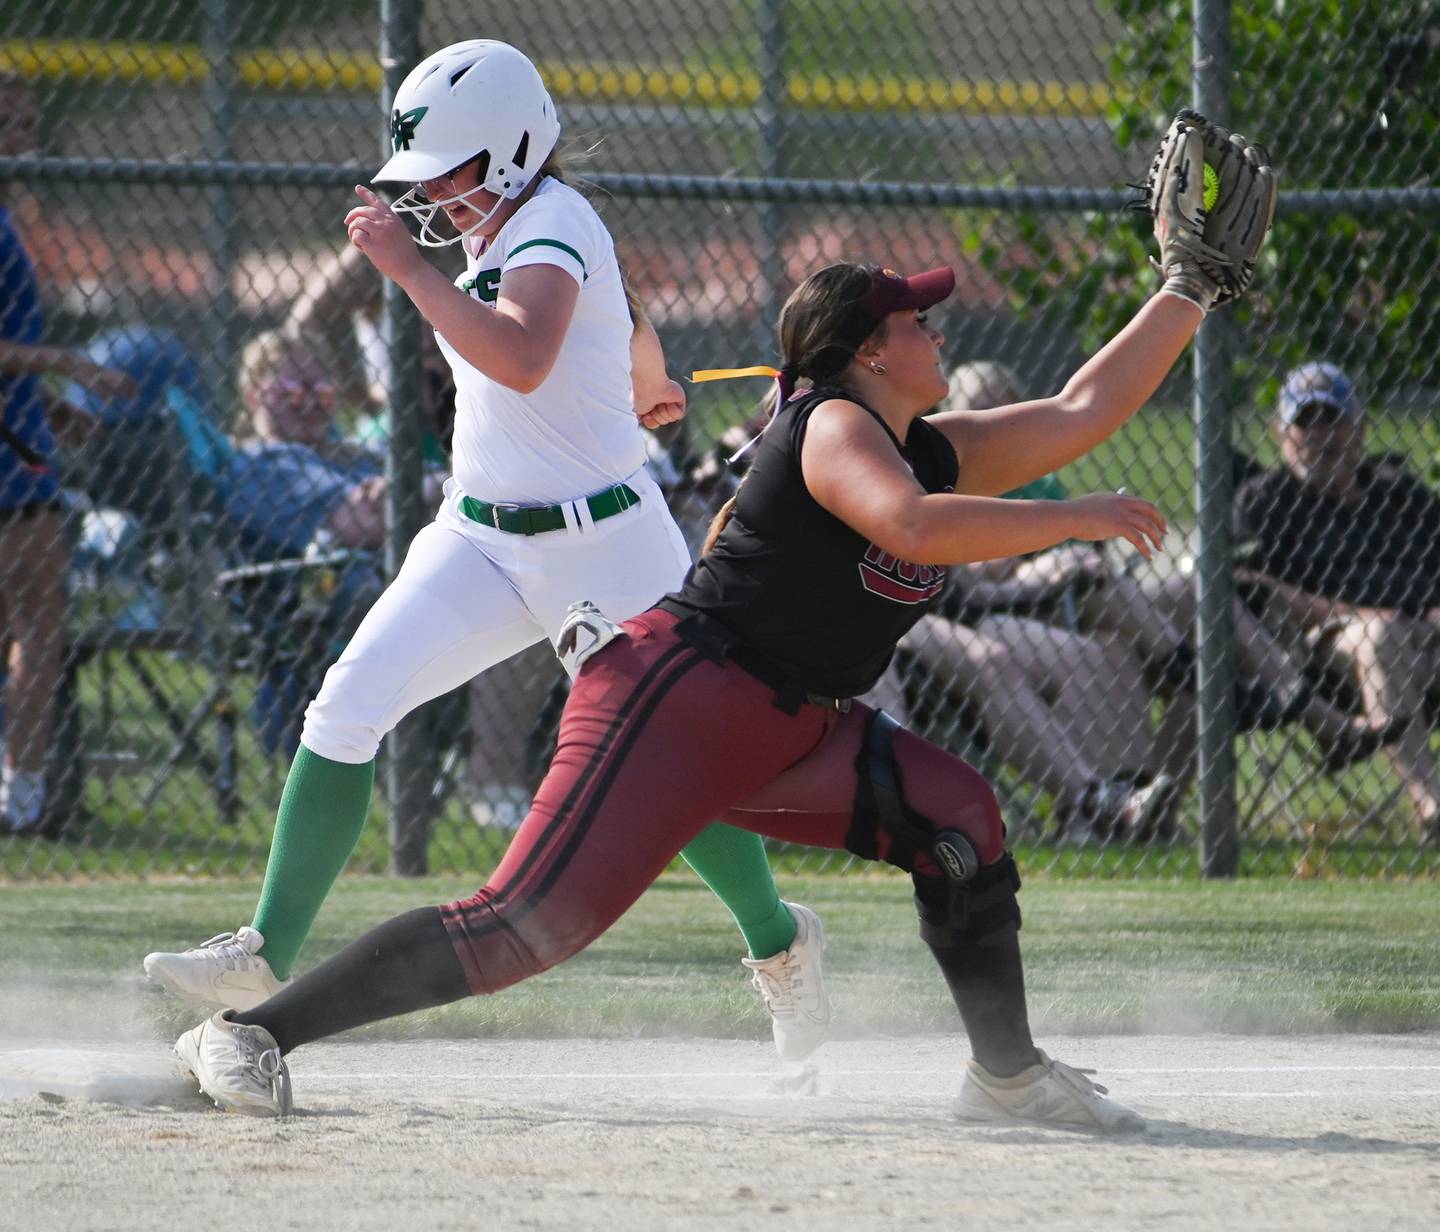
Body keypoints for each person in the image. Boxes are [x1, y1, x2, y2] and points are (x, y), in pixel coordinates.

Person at [171, 175, 1268, 1121]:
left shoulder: (920, 439)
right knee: (522, 926)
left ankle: (1010, 1075)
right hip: (677, 700)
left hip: (789, 724)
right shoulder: (834, 430)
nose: (939, 333)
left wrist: (1187, 287)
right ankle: (256, 1033)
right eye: (919, 323)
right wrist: (1073, 516)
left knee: (959, 817)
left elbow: (1083, 405)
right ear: (870, 353)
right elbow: (916, 529)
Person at [143, 40, 829, 1061]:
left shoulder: (549, 222)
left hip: (606, 546)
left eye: (446, 176)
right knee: (345, 705)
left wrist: (409, 270)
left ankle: (782, 946)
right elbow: (611, 315)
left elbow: (519, 349)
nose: (431, 199)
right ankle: (263, 948)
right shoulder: (522, 224)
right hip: (481, 535)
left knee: (671, 768)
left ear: (508, 155)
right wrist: (643, 365)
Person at [898, 361, 1182, 842]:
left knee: (1107, 652)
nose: (989, 419)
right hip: (966, 615)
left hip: (1021, 606)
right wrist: (1034, 573)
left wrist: (1050, 563)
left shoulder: (1031, 476)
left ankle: (1113, 807)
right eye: (975, 410)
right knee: (1014, 652)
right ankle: (1095, 798)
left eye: (998, 406)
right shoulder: (933, 466)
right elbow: (964, 583)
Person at [0, 72, 135, 834]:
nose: (23, 129)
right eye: (7, 117)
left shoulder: (12, 214)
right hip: (13, 460)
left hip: (23, 431)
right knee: (37, 625)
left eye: (27, 114)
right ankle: (21, 795)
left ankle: (17, 788)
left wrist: (51, 407)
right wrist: (68, 365)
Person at [1233, 361, 1440, 841]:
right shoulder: (1264, 500)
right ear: (1281, 432)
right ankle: (1432, 807)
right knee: (1380, 635)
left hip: (1426, 637)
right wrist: (1351, 615)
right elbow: (1245, 583)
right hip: (1324, 648)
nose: (1321, 436)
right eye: (1306, 423)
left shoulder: (1399, 493)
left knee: (1393, 634)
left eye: (1334, 420)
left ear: (1360, 426)